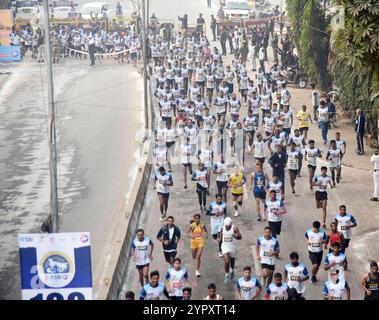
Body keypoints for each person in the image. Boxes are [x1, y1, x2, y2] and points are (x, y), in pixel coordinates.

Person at [221, 217, 242, 283]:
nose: (227, 227)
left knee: (232, 261)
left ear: (231, 224)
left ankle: (232, 270)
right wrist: (219, 240)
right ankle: (226, 274)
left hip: (232, 246)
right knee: (226, 261)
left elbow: (240, 237)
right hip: (225, 246)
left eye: (228, 226)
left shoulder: (234, 228)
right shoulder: (222, 227)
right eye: (226, 226)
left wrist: (235, 236)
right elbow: (220, 236)